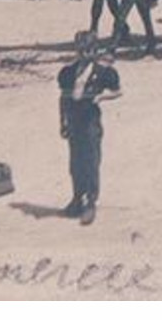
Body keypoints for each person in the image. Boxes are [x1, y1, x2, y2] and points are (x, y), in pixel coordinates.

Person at [58, 31, 122, 225]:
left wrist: (101, 97)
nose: (86, 55)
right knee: (75, 162)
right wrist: (62, 122)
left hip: (90, 120)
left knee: (91, 161)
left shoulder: (103, 72)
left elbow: (118, 91)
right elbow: (63, 98)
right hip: (74, 119)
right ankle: (77, 197)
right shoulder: (68, 72)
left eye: (91, 51)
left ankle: (90, 202)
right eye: (83, 51)